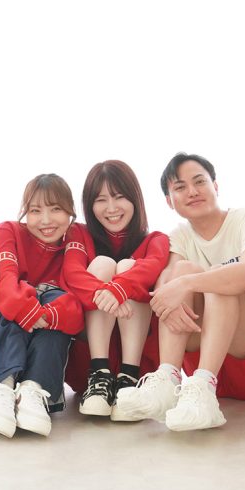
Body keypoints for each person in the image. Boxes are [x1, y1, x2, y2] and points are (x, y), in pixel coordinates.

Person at [114, 153, 245, 431]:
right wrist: (177, 285)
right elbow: (167, 284)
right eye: (180, 187)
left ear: (215, 186)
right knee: (182, 269)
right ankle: (168, 379)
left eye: (199, 182)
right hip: (199, 367)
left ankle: (204, 383)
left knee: (217, 278)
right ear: (169, 201)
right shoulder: (180, 236)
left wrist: (188, 284)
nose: (192, 192)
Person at [0, 174, 85, 438]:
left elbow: (77, 310)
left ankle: (34, 391)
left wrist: (46, 314)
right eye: (35, 210)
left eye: (56, 209)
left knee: (56, 302)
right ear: (25, 213)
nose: (46, 220)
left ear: (70, 212)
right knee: (15, 300)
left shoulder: (77, 238)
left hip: (39, 355)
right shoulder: (9, 230)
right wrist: (29, 310)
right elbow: (6, 284)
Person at [62, 160, 169, 418]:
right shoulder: (78, 233)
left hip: (141, 365)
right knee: (103, 263)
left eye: (119, 196)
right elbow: (72, 272)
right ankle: (99, 375)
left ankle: (128, 379)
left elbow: (152, 266)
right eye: (101, 200)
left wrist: (119, 289)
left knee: (129, 267)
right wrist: (108, 293)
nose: (111, 208)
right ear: (89, 205)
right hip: (86, 361)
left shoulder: (156, 239)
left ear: (135, 198)